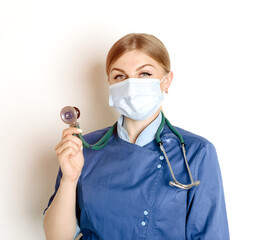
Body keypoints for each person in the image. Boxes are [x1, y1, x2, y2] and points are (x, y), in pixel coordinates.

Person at [42, 33, 229, 240]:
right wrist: (69, 179)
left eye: (145, 74)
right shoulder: (84, 148)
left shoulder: (196, 152)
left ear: (166, 82)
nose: (131, 86)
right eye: (120, 76)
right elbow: (57, 237)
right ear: (110, 85)